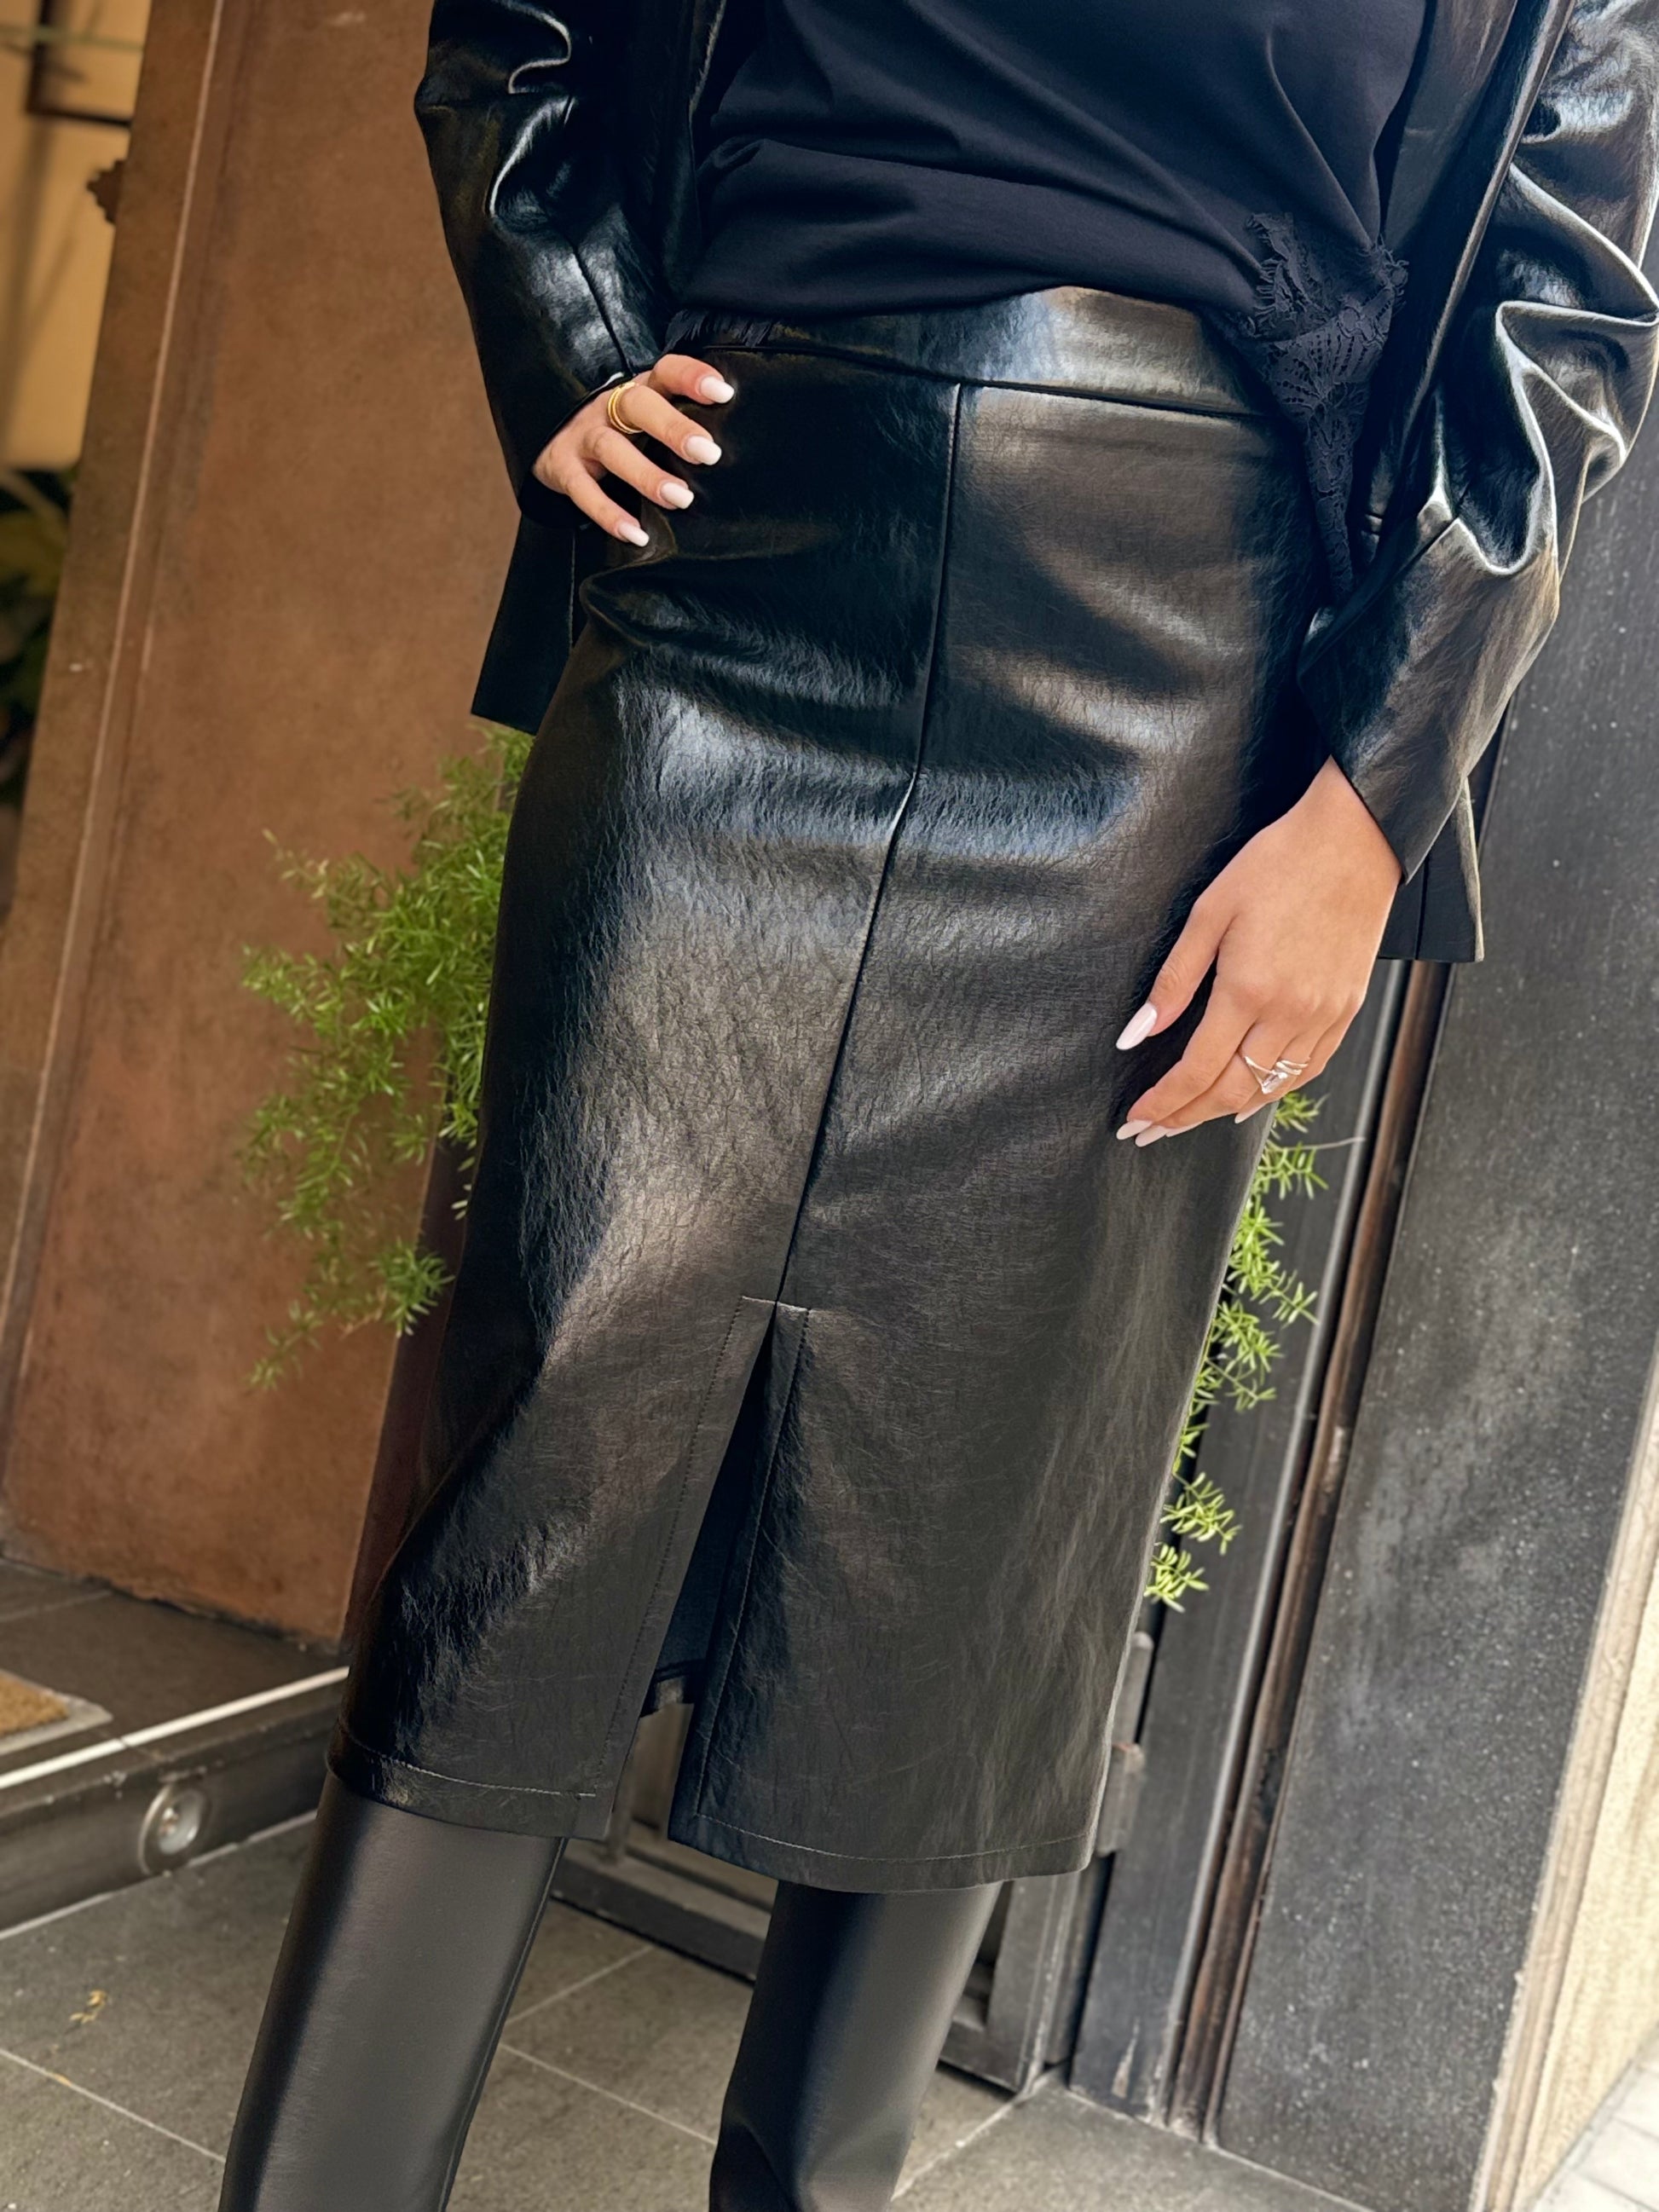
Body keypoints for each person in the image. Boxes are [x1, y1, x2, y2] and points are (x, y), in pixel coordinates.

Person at [221, 3, 1659, 2206]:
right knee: (546, 1445)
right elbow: (514, 26)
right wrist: (569, 322)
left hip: (1176, 663)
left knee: (992, 1518)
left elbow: (1559, 305)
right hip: (741, 562)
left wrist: (1371, 809)